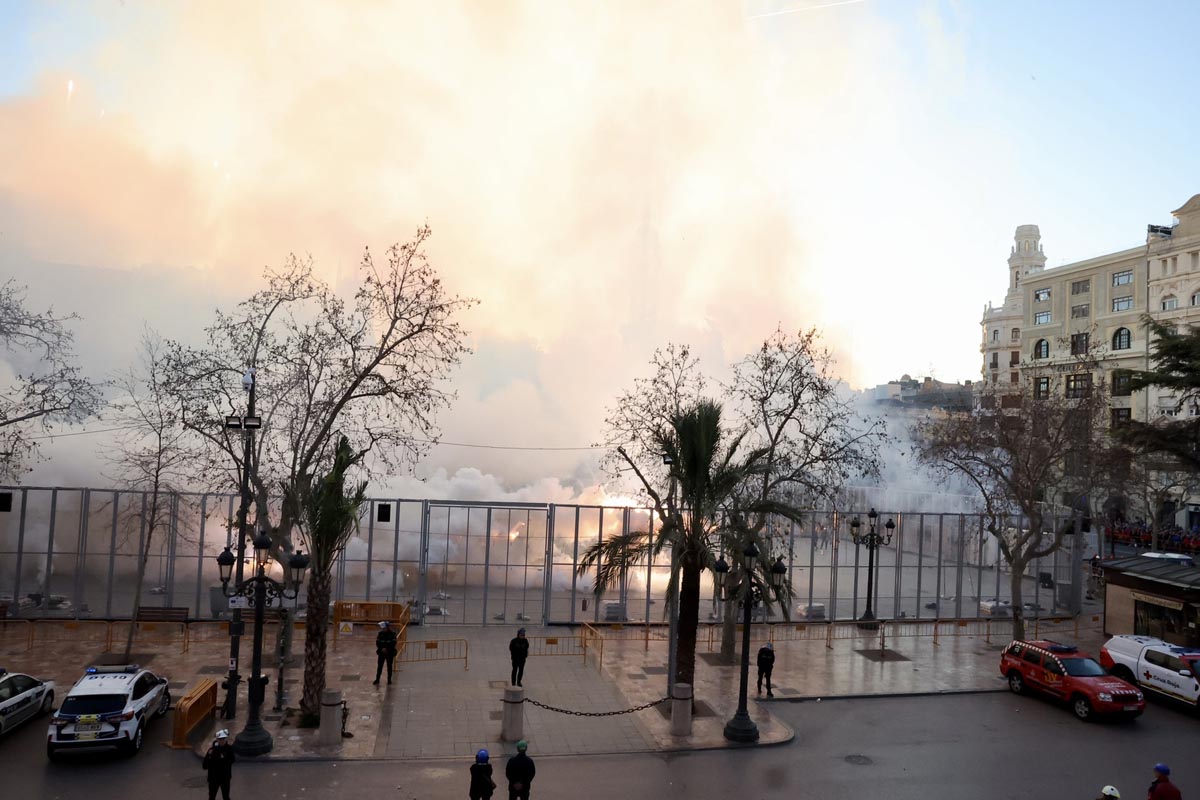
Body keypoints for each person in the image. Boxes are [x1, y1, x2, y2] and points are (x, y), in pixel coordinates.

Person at [202, 729, 236, 800]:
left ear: (226, 738)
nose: (222, 740)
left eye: (223, 738)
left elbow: (232, 760)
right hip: (213, 779)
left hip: (225, 778)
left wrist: (223, 758)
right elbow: (204, 766)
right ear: (217, 739)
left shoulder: (229, 749)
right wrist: (209, 755)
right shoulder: (211, 750)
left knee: (226, 797)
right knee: (212, 797)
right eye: (220, 739)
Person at [374, 620, 398, 685]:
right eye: (382, 628)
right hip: (381, 653)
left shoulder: (393, 634)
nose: (383, 629)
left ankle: (389, 680)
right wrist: (382, 648)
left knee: (389, 667)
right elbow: (378, 642)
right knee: (379, 667)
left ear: (387, 627)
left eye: (384, 628)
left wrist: (386, 648)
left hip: (389, 653)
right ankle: (377, 679)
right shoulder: (380, 633)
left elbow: (393, 643)